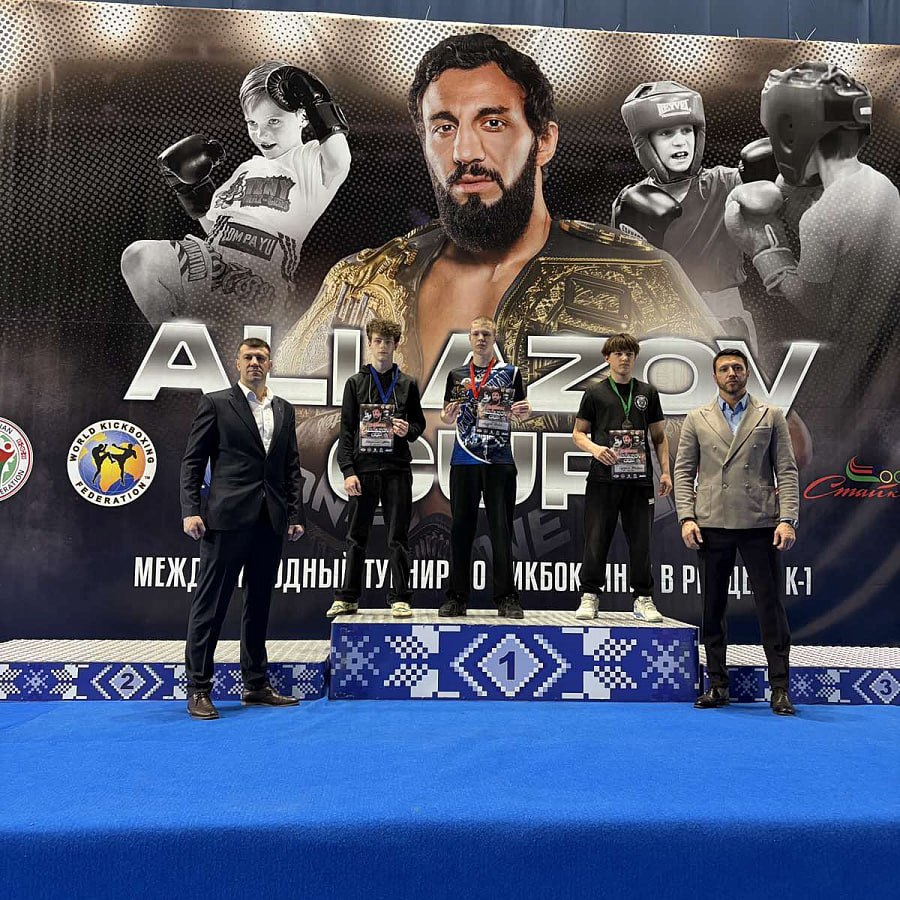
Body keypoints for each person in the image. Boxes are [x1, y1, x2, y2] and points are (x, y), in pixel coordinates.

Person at [276, 33, 719, 434]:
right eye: (444, 127)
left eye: (492, 123)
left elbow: (728, 429)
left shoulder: (640, 273)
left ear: (543, 141)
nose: (464, 152)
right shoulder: (361, 282)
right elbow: (278, 421)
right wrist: (364, 431)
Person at [724, 61, 900, 453]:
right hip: (886, 354)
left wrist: (764, 246)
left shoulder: (822, 217)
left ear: (792, 132)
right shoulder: (882, 186)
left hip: (849, 365)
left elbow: (816, 305)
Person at [121, 59, 351, 346]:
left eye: (274, 121)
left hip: (261, 279)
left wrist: (316, 98)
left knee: (238, 348)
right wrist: (191, 189)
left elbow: (339, 161)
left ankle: (206, 349)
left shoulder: (310, 160)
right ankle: (175, 346)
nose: (261, 134)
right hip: (215, 262)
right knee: (139, 258)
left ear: (303, 117)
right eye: (253, 123)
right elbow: (215, 228)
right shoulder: (245, 170)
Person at [180, 337, 305, 719]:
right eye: (248, 357)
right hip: (225, 520)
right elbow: (193, 462)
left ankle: (255, 685)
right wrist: (191, 510)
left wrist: (295, 515)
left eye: (261, 358)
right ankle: (199, 688)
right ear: (237, 363)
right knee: (211, 605)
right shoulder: (216, 403)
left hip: (270, 521)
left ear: (270, 364)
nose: (254, 363)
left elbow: (291, 467)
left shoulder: (283, 409)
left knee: (259, 604)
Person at [673, 348, 799, 716]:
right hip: (711, 523)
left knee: (770, 607)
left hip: (760, 523)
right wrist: (686, 517)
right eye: (725, 368)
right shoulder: (696, 418)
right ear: (714, 376)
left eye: (738, 368)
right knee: (712, 607)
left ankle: (780, 688)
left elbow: (786, 470)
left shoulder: (770, 415)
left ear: (747, 374)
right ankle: (717, 684)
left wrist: (788, 519)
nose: (732, 373)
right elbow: (684, 472)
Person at [615, 81, 774, 346]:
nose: (680, 141)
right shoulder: (632, 202)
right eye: (666, 133)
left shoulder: (726, 182)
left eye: (686, 130)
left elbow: (775, 189)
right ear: (645, 142)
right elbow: (625, 279)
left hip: (726, 316)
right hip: (664, 321)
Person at [326, 317, 426, 619]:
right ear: (369, 344)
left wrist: (407, 430)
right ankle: (348, 597)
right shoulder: (355, 384)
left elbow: (418, 425)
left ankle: (400, 598)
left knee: (398, 536)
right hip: (364, 469)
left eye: (388, 341)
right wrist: (348, 471)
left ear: (396, 345)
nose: (383, 346)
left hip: (397, 469)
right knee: (356, 536)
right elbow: (345, 431)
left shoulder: (407, 384)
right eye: (378, 341)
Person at [572, 333, 671, 623]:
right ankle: (590, 595)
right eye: (618, 353)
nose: (624, 358)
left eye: (629, 353)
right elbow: (578, 433)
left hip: (639, 480)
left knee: (641, 542)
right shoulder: (595, 393)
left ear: (635, 357)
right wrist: (595, 449)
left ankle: (643, 598)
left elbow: (659, 437)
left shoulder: (647, 393)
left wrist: (665, 471)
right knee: (596, 539)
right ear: (608, 358)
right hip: (603, 479)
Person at [439, 316, 530, 617]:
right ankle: (456, 597)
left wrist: (525, 412)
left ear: (494, 338)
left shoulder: (510, 373)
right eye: (476, 333)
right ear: (469, 338)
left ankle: (506, 598)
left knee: (501, 529)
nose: (481, 339)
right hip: (464, 458)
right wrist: (447, 417)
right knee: (460, 529)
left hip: (499, 460)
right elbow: (446, 415)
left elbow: (521, 410)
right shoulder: (456, 374)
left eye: (486, 334)